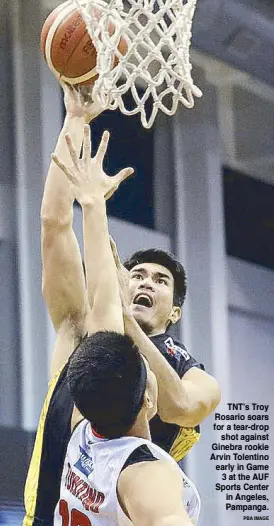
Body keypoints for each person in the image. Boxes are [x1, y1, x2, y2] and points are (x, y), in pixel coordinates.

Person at [26, 125, 200, 526]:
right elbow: (58, 232)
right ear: (148, 400)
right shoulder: (145, 473)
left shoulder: (82, 418)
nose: (144, 281)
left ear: (175, 311)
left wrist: (91, 203)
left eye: (161, 280)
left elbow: (191, 405)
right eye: (137, 274)